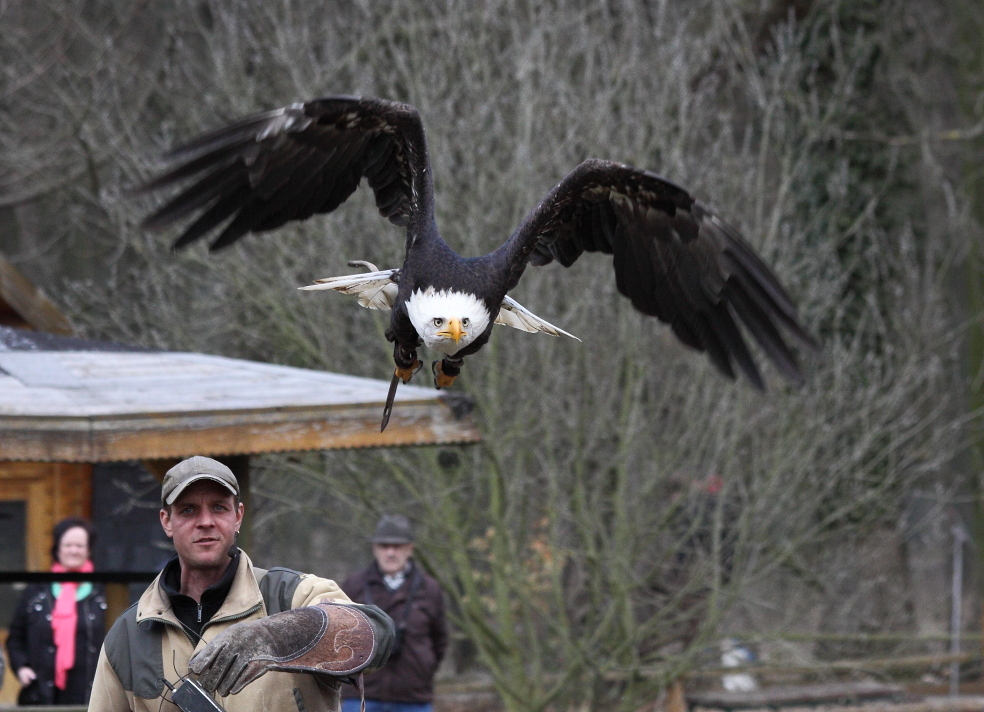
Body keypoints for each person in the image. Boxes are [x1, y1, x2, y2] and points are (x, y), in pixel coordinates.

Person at [88, 456, 394, 712]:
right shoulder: (129, 636)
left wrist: (279, 636)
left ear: (238, 516)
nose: (205, 521)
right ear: (167, 522)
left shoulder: (290, 595)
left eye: (219, 507)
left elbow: (375, 636)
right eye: (188, 509)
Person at [340, 515, 448, 712]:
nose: (390, 552)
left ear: (410, 548)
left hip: (414, 699)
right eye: (384, 545)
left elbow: (440, 641)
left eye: (397, 546)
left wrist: (422, 671)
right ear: (374, 548)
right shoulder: (353, 586)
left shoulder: (430, 589)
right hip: (361, 697)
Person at [6, 517, 107, 706]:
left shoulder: (102, 591)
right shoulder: (36, 590)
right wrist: (21, 668)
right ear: (57, 548)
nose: (74, 550)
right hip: (41, 693)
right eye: (68, 545)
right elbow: (15, 638)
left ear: (88, 550)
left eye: (79, 545)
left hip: (89, 694)